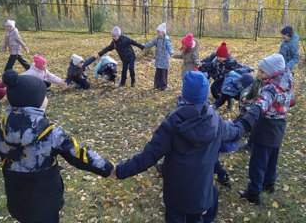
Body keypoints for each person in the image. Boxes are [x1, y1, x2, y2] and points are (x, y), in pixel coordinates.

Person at [115, 71, 246, 223]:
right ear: (204, 95)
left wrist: (120, 170)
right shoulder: (216, 120)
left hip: (175, 192)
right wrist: (249, 118)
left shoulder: (172, 122)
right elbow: (235, 132)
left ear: (184, 94)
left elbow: (149, 156)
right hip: (200, 192)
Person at [0, 70, 114, 223]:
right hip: (46, 202)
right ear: (37, 102)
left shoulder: (0, 130)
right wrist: (108, 168)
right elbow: (78, 154)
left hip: (17, 201)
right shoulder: (50, 132)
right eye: (44, 95)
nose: (46, 98)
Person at [238, 54, 293, 205]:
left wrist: (247, 120)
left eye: (262, 72)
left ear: (273, 72)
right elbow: (289, 99)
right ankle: (269, 185)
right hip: (279, 126)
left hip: (266, 127)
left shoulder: (271, 89)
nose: (258, 74)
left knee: (258, 162)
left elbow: (263, 103)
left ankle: (254, 192)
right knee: (272, 158)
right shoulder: (286, 79)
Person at [199, 42, 253, 109]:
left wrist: (249, 69)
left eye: (221, 57)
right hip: (219, 78)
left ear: (225, 56)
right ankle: (218, 100)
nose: (219, 58)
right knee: (213, 88)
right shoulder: (216, 61)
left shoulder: (231, 63)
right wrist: (203, 65)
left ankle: (229, 100)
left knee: (225, 90)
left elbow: (241, 67)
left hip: (227, 79)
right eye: (218, 56)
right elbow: (210, 65)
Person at [143, 23, 174, 91]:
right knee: (158, 73)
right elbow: (151, 43)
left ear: (163, 32)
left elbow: (169, 46)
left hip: (164, 59)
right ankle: (157, 85)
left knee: (163, 73)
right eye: (157, 32)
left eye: (159, 32)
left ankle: (163, 86)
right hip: (158, 59)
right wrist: (143, 46)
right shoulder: (157, 39)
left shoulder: (166, 39)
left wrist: (171, 52)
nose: (158, 33)